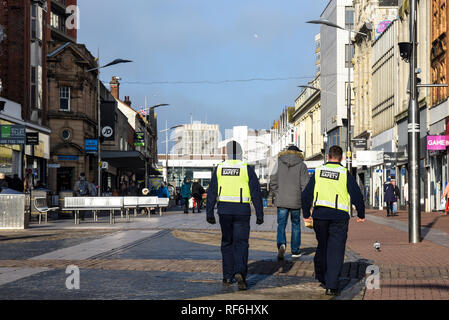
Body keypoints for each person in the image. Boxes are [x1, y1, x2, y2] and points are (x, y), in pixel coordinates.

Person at [302, 145, 365, 296]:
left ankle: (321, 275)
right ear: (341, 158)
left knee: (322, 246)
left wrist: (306, 213)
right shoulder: (344, 173)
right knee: (336, 251)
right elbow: (357, 195)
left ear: (328, 157)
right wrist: (361, 214)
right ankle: (331, 285)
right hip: (339, 218)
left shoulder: (318, 171)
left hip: (320, 216)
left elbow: (306, 195)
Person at [206, 141, 264, 291]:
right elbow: (256, 192)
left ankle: (227, 276)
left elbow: (212, 191)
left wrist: (209, 212)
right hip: (242, 211)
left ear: (227, 153)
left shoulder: (220, 168)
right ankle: (240, 272)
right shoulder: (246, 169)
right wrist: (259, 213)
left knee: (227, 242)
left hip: (224, 210)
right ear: (240, 153)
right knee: (241, 243)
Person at [269, 145, 310, 260]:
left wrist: (277, 193)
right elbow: (305, 185)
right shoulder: (302, 165)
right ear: (298, 153)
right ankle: (295, 250)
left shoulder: (278, 163)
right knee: (296, 225)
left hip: (281, 200)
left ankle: (281, 244)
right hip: (296, 201)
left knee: (281, 225)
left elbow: (272, 180)